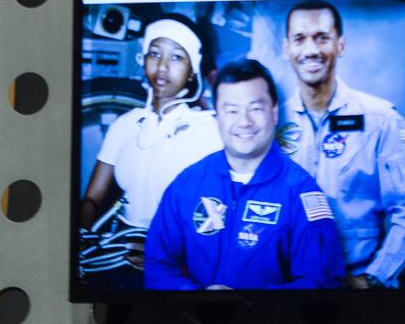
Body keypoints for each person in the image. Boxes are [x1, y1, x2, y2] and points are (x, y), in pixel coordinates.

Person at [144, 58, 346, 290]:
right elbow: (158, 266)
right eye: (231, 110)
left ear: (274, 112)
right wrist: (197, 298)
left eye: (256, 108)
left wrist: (248, 304)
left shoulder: (301, 193)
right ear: (217, 116)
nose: (244, 122)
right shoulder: (187, 184)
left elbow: (322, 284)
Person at [79, 17, 221, 286]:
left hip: (176, 265)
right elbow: (93, 199)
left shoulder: (207, 131)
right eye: (155, 54)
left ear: (193, 71)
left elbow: (216, 217)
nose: (163, 66)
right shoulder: (126, 124)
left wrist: (167, 253)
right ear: (143, 59)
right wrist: (83, 236)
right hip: (116, 254)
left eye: (177, 57)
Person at [278, 1, 405, 288]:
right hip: (288, 288)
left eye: (322, 37)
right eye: (300, 39)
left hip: (358, 286)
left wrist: (374, 278)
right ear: (287, 48)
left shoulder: (382, 120)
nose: (311, 50)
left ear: (341, 45)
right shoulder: (273, 124)